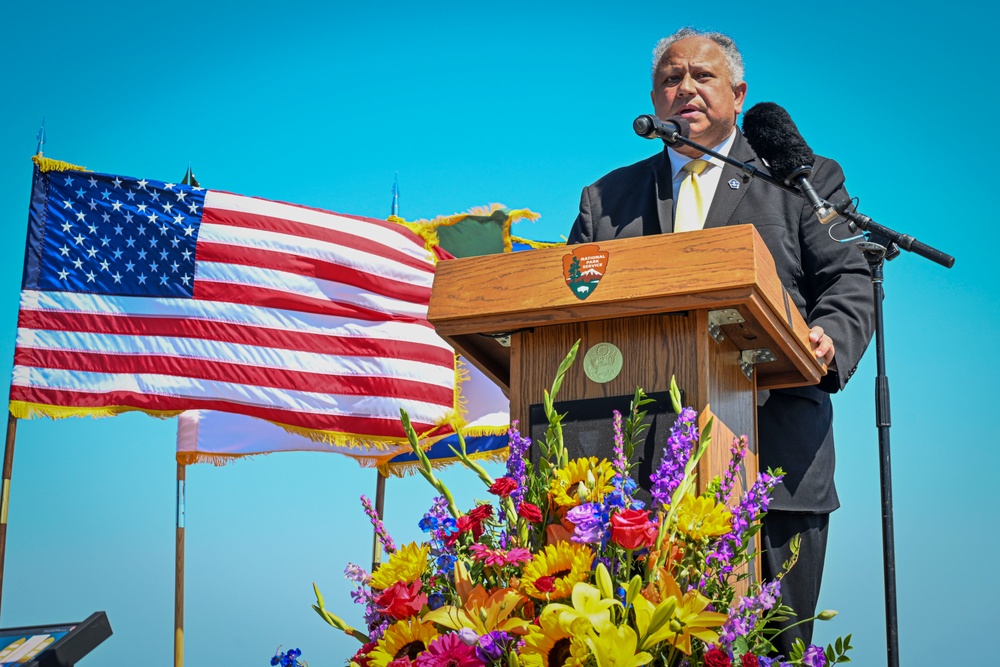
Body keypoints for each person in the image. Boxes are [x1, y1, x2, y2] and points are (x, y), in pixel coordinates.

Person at [566, 27, 874, 656]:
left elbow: (850, 275)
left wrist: (828, 337)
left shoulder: (803, 181)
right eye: (671, 79)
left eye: (701, 76)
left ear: (738, 94)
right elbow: (568, 310)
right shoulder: (606, 199)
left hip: (775, 457)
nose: (685, 89)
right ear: (654, 98)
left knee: (773, 648)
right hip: (638, 473)